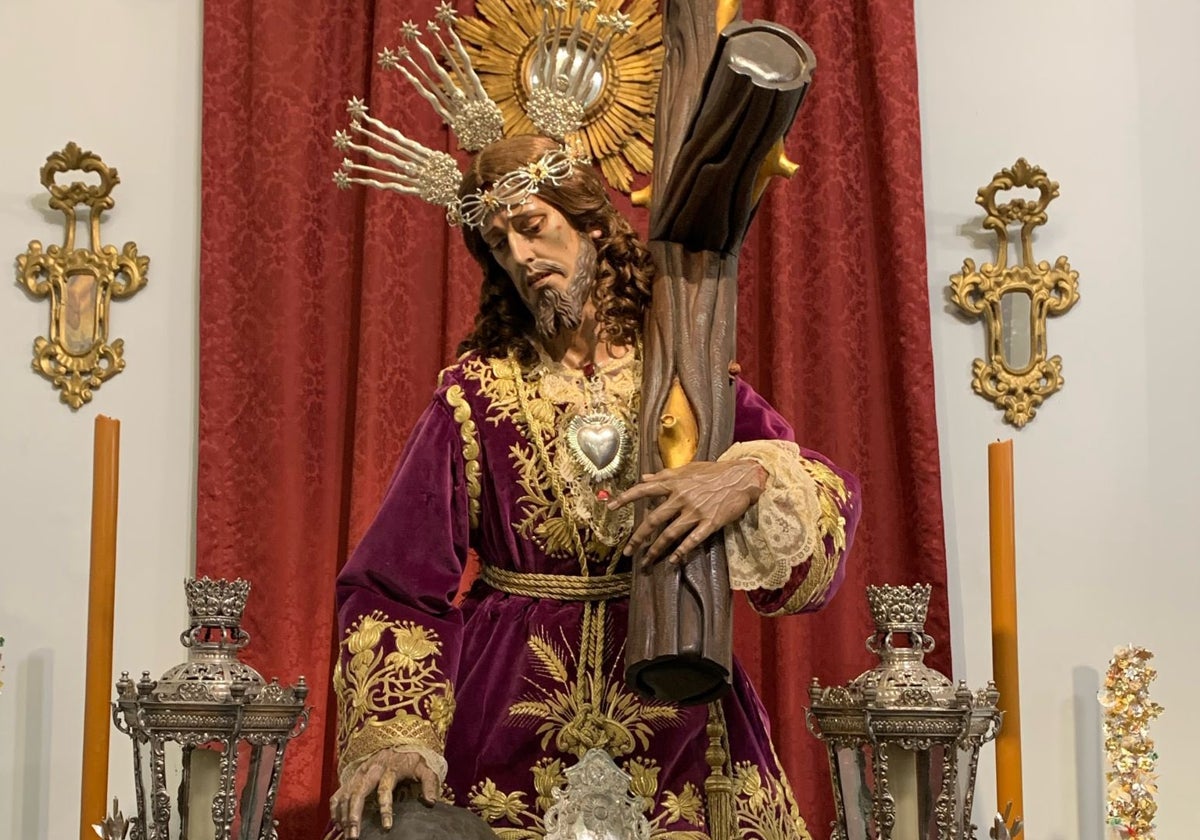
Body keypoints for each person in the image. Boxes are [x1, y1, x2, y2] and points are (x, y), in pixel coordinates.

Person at [328, 134, 861, 840]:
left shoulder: (685, 378)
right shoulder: (475, 397)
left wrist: (747, 474)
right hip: (508, 712)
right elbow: (393, 580)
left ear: (592, 224)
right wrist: (396, 733)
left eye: (532, 225)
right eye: (498, 242)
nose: (519, 256)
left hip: (676, 694)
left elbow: (822, 497)